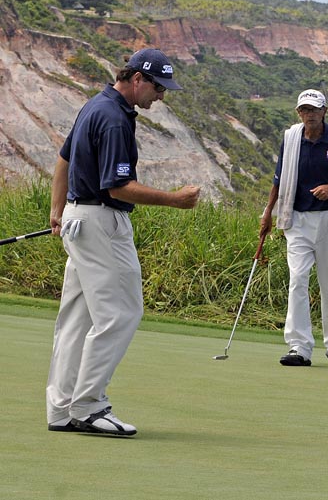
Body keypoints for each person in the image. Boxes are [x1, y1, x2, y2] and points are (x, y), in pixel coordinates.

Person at [47, 48, 201, 437]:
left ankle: (61, 409)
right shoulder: (115, 119)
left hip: (77, 218)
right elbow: (118, 188)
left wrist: (58, 209)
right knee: (121, 313)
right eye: (159, 87)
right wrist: (175, 200)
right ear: (137, 79)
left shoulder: (94, 105)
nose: (162, 96)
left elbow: (63, 160)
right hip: (102, 224)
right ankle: (89, 405)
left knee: (77, 320)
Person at [261, 89, 328, 367]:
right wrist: (268, 212)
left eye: (314, 110)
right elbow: (278, 178)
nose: (309, 114)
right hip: (297, 220)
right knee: (298, 279)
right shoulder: (291, 139)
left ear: (323, 112)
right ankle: (299, 346)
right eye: (304, 110)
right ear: (299, 113)